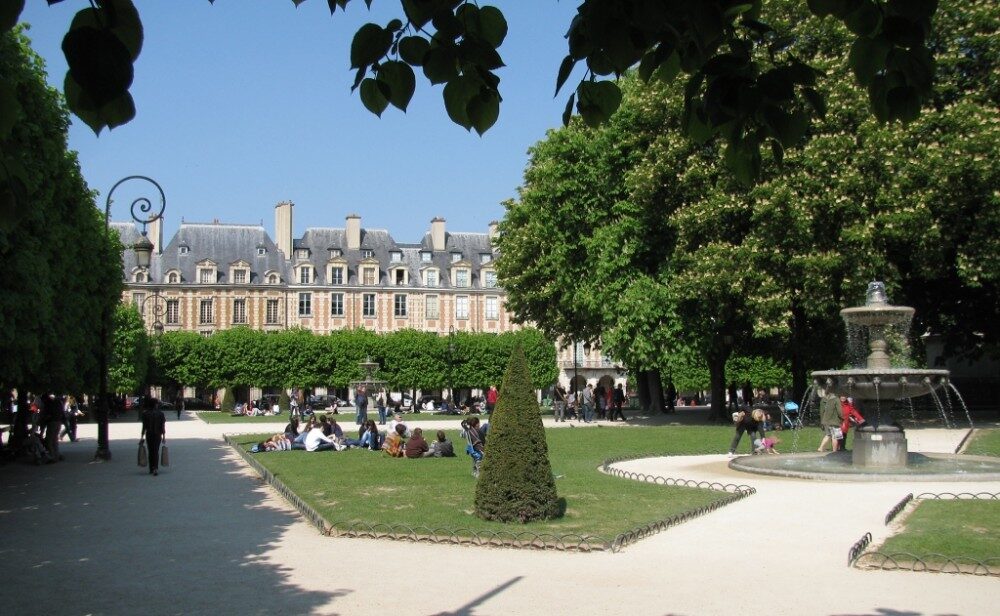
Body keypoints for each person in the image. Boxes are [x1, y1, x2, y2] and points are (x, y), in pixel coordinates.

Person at [140, 398, 166, 475]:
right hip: (157, 434)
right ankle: (155, 467)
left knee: (151, 451)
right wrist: (164, 436)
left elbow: (144, 427)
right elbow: (162, 426)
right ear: (155, 404)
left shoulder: (145, 414)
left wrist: (142, 437)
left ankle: (151, 468)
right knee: (156, 451)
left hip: (149, 434)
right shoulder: (161, 414)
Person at [39, 393, 65, 463]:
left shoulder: (48, 404)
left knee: (49, 440)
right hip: (58, 422)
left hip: (52, 423)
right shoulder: (57, 402)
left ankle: (52, 456)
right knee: (54, 440)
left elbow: (47, 416)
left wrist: (42, 426)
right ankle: (56, 455)